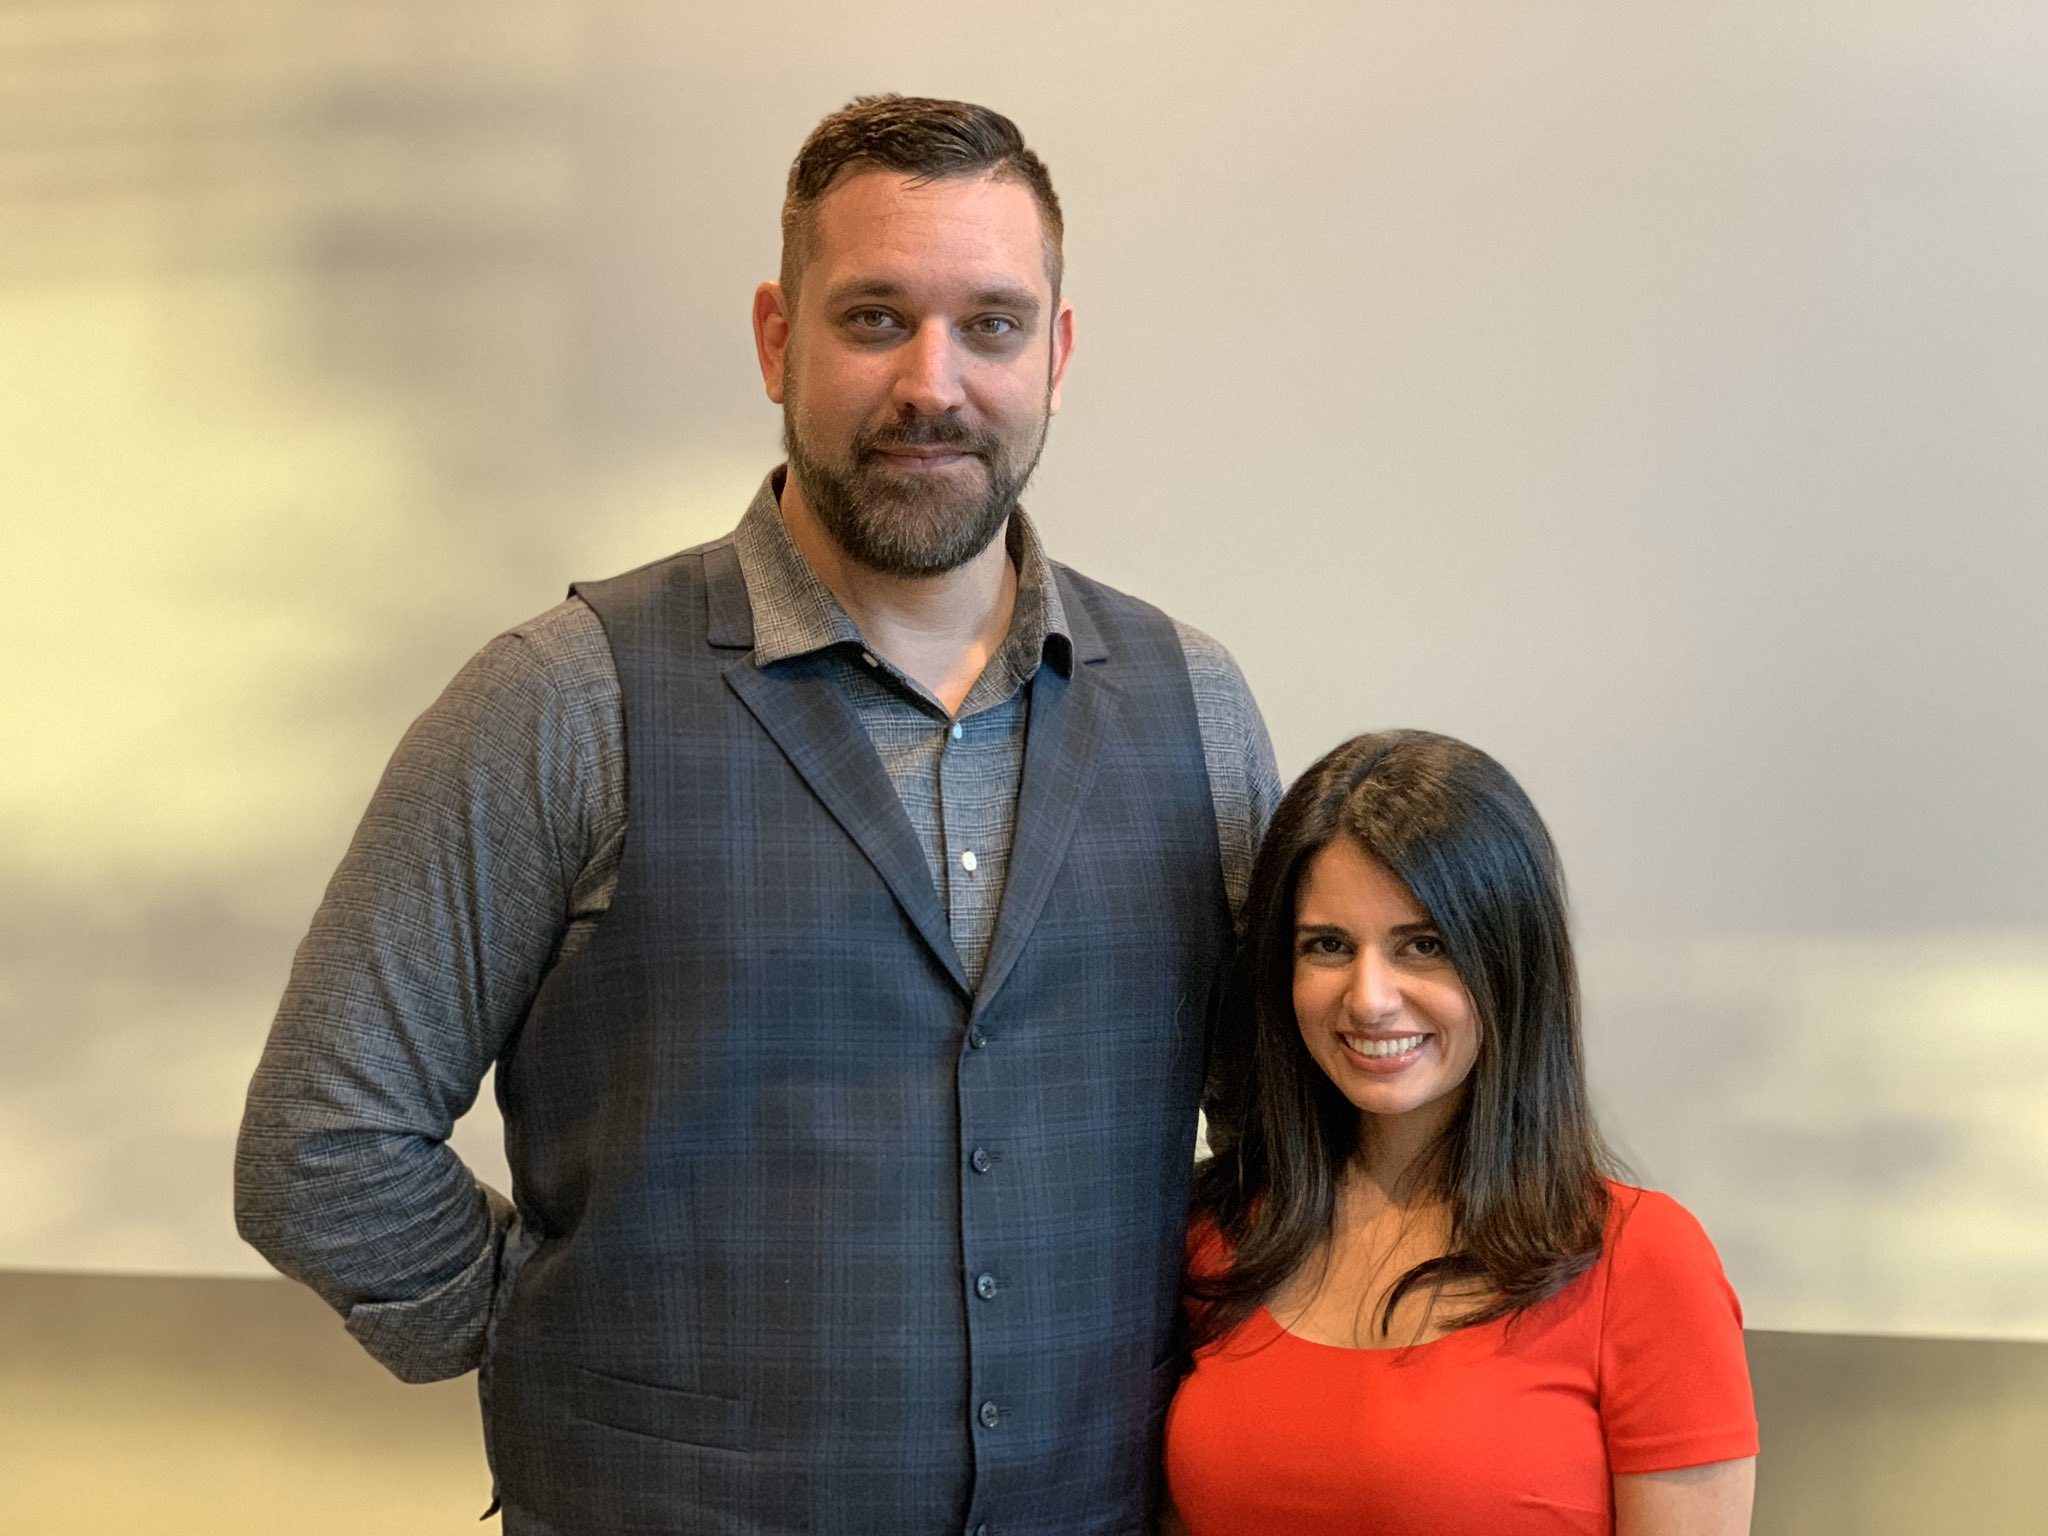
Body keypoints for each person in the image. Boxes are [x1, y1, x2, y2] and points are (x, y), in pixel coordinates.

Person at [235, 95, 1279, 1535]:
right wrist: (542, 1336)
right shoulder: (565, 698)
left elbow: (1291, 1150)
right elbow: (322, 1144)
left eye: (990, 324)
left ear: (1056, 355)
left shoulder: (1193, 708)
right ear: (778, 340)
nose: (932, 383)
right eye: (874, 319)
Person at [1166, 731, 1756, 1536]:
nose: (1370, 998)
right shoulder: (1215, 1237)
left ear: (1510, 963)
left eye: (1425, 945)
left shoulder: (1643, 1262)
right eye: (1328, 946)